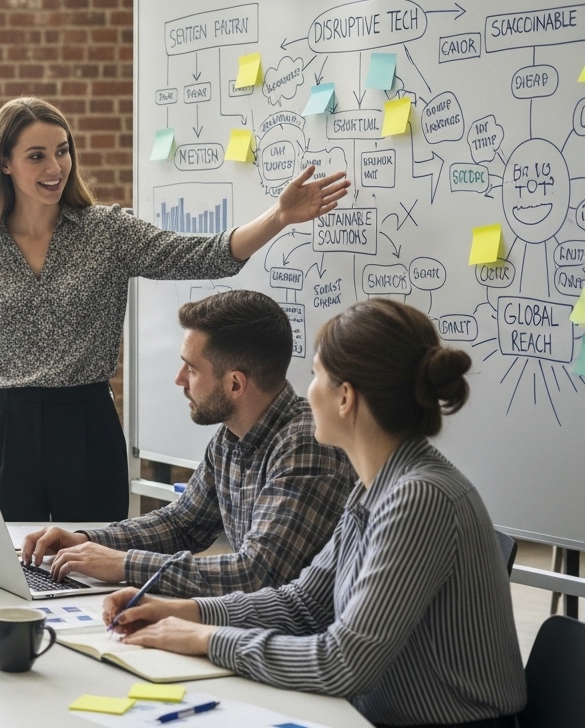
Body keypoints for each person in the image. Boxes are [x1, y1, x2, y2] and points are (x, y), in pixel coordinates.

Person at [106, 298, 526, 727]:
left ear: (345, 398)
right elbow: (303, 603)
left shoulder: (419, 498)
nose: (306, 392)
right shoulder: (378, 485)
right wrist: (185, 611)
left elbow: (343, 661)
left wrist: (205, 638)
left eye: (315, 376)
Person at [0, 98, 350, 522]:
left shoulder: (107, 230)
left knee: (93, 558)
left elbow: (201, 255)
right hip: (5, 428)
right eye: (37, 156)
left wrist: (279, 217)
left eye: (63, 151)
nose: (55, 167)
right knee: (3, 569)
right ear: (5, 164)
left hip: (86, 423)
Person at [22, 290, 354, 597]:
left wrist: (122, 565)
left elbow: (256, 574)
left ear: (235, 384)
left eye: (191, 368)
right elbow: (182, 524)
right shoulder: (230, 438)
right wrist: (88, 541)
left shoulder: (307, 448)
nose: (179, 378)